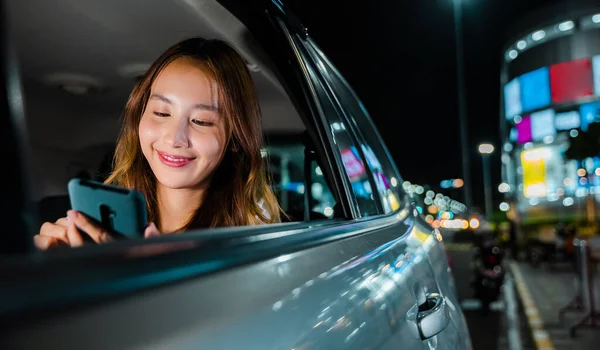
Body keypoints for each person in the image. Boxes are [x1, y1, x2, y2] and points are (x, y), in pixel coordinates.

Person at [34, 37, 282, 250]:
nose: (175, 138)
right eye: (162, 113)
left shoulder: (253, 245)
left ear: (236, 139)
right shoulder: (86, 225)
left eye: (201, 121)